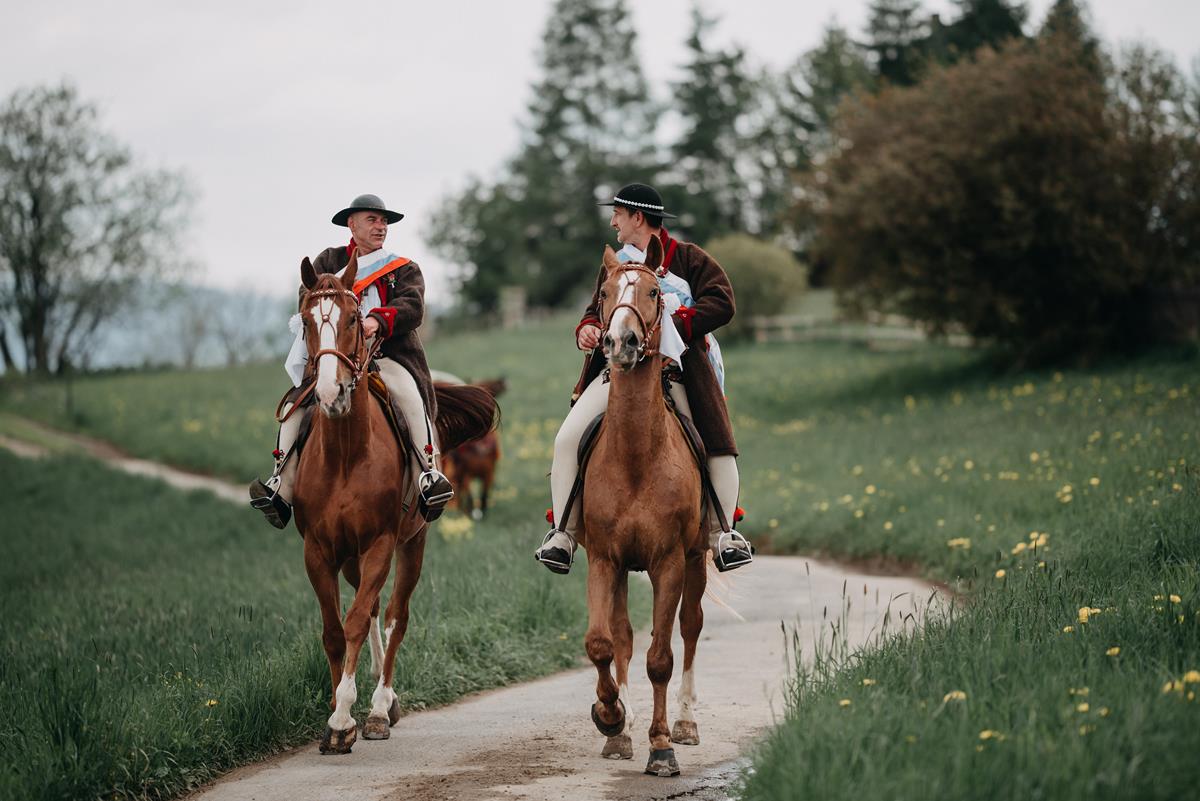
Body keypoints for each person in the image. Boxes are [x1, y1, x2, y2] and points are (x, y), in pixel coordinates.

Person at [535, 182, 753, 574]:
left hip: (680, 372)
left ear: (637, 217)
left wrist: (678, 321)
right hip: (618, 376)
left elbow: (723, 302)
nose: (613, 221)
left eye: (617, 214)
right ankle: (563, 535)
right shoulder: (615, 265)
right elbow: (595, 310)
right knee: (566, 439)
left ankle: (724, 534)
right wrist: (586, 327)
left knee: (716, 442)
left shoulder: (689, 259)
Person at [248, 193, 453, 527]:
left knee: (410, 399)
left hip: (387, 357)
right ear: (352, 223)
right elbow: (308, 298)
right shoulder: (328, 261)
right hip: (336, 359)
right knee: (293, 409)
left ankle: (427, 477)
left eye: (384, 221)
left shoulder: (402, 268)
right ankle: (280, 487)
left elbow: (413, 307)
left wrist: (378, 320)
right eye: (373, 220)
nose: (381, 227)